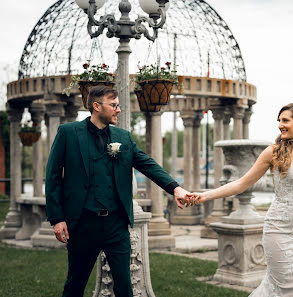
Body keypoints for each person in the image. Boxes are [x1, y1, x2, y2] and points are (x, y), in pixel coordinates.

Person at [184, 103, 293, 296]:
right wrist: (204, 196)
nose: (280, 125)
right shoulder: (273, 152)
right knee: (283, 289)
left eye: (285, 120)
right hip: (278, 230)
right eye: (279, 121)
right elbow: (241, 183)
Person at [45, 85, 189, 297]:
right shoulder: (68, 133)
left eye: (118, 105)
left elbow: (148, 165)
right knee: (75, 285)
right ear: (96, 106)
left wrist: (175, 188)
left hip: (116, 225)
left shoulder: (123, 136)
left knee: (125, 288)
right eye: (113, 105)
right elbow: (53, 176)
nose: (118, 109)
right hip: (83, 224)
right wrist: (57, 218)